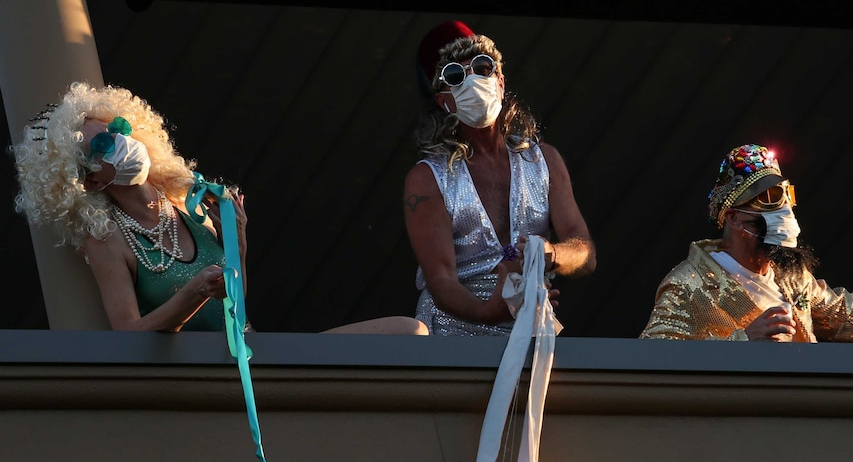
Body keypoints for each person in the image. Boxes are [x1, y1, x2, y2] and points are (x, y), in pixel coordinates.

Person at [13, 82, 427, 335]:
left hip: (249, 354)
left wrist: (239, 242)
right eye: (103, 144)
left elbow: (235, 305)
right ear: (88, 180)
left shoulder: (184, 202)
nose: (122, 141)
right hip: (203, 384)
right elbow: (128, 333)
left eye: (119, 129)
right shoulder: (106, 238)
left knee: (411, 332)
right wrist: (192, 294)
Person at [403, 23, 596, 336]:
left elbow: (585, 254)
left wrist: (551, 253)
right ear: (445, 101)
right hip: (452, 342)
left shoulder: (544, 160)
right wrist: (488, 311)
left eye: (482, 67)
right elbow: (440, 280)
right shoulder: (426, 180)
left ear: (501, 82)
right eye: (456, 76)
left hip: (529, 333)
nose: (474, 81)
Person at [640, 143, 853, 342]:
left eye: (787, 196)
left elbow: (848, 316)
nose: (785, 210)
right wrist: (743, 342)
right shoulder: (688, 285)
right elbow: (655, 356)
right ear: (734, 218)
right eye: (768, 198)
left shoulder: (792, 277)